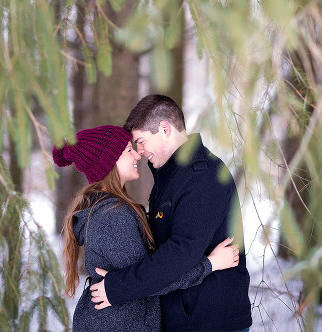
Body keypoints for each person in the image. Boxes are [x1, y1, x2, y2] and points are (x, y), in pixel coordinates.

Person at [89, 95, 252, 331]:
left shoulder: (202, 176)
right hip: (184, 317)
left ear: (165, 129)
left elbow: (180, 252)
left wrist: (119, 288)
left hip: (210, 321)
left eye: (142, 141)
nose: (140, 151)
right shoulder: (171, 176)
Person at [54, 125, 240, 331]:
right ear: (108, 163)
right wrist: (211, 264)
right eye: (128, 151)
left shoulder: (109, 210)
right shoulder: (113, 217)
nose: (137, 156)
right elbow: (153, 279)